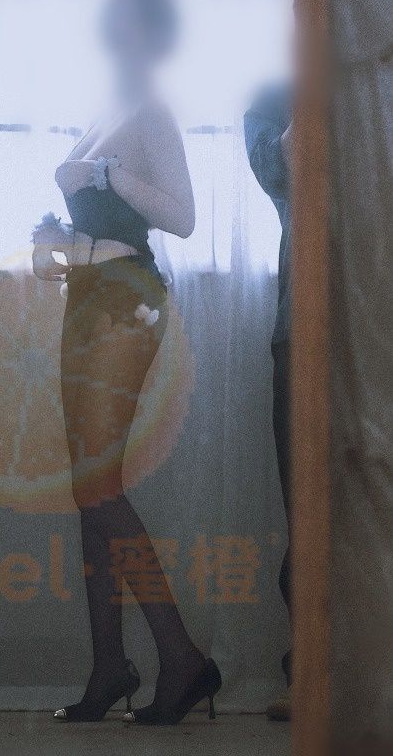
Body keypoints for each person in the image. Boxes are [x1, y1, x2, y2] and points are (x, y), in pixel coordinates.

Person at [32, 0, 221, 726]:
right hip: (87, 296)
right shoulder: (104, 110)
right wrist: (54, 239)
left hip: (127, 302)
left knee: (97, 488)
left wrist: (107, 175)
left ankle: (181, 659)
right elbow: (98, 220)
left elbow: (180, 218)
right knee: (88, 490)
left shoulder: (150, 111)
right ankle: (109, 666)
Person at [244, 85, 293, 720]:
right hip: (303, 332)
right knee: (307, 509)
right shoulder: (272, 101)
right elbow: (284, 179)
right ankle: (308, 668)